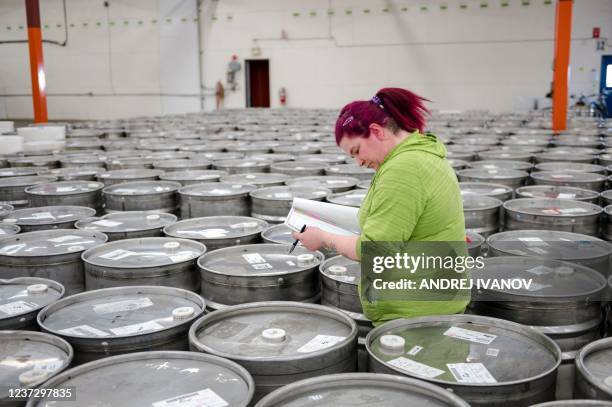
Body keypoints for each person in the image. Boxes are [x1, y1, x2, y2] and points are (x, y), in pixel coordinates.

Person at [292, 87, 469, 324]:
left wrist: (323, 238)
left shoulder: (404, 169)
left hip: (416, 314)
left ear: (376, 131)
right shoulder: (422, 154)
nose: (359, 162)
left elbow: (374, 251)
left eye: (357, 151)